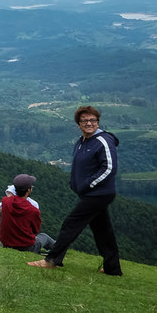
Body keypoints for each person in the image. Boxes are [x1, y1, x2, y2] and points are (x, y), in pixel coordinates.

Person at [29, 106, 123, 275]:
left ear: (98, 122)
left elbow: (109, 168)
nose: (89, 123)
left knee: (71, 224)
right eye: (85, 120)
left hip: (99, 194)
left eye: (93, 120)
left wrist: (89, 184)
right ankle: (113, 268)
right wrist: (76, 184)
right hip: (91, 193)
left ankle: (52, 260)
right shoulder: (82, 141)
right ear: (78, 124)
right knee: (103, 232)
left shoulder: (103, 140)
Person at [0, 174, 57, 254]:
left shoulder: (5, 201)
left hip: (5, 244)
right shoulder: (33, 210)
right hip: (26, 247)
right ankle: (59, 248)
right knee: (44, 237)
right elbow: (35, 230)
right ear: (28, 190)